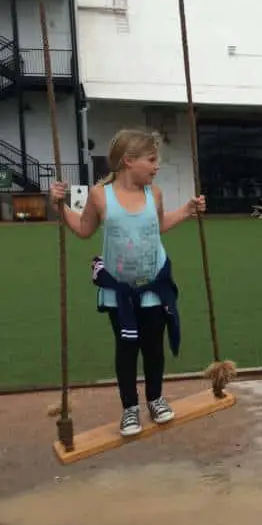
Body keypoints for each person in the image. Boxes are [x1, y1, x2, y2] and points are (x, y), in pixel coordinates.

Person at [49, 129, 205, 437]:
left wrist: (187, 210)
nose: (156, 166)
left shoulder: (154, 194)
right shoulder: (100, 195)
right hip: (120, 292)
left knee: (154, 348)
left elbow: (158, 226)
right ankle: (130, 408)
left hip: (153, 286)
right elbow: (83, 229)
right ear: (129, 161)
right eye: (151, 160)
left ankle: (156, 399)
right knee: (127, 348)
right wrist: (59, 206)